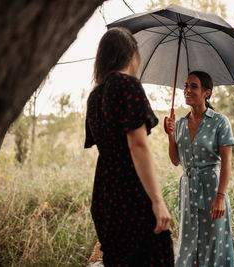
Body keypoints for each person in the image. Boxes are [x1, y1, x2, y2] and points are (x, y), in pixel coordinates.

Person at [84, 27, 174, 266]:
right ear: (132, 54)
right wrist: (157, 200)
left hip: (105, 193)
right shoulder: (128, 85)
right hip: (131, 191)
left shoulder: (94, 96)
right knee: (154, 257)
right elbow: (138, 145)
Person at [166, 71, 234, 266]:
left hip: (212, 189)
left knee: (213, 242)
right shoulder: (180, 123)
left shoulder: (219, 122)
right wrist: (171, 135)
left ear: (207, 92)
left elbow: (227, 163)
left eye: (193, 86)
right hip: (188, 189)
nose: (187, 90)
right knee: (189, 241)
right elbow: (175, 160)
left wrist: (220, 197)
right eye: (186, 86)